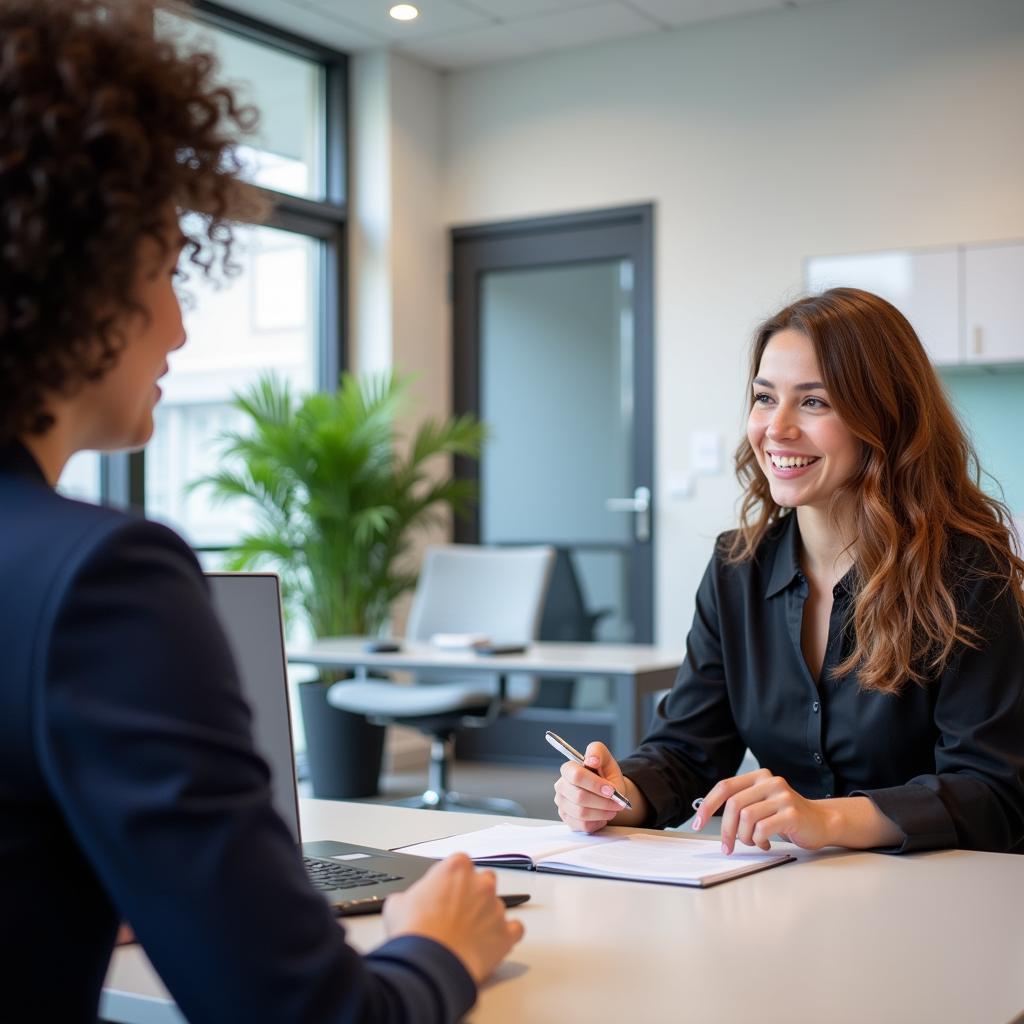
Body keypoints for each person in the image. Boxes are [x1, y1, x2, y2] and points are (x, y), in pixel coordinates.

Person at [0, 2, 521, 1021]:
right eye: (163, 267)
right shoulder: (97, 582)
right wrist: (437, 948)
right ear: (79, 277)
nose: (182, 325)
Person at [555, 288, 1024, 856]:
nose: (776, 428)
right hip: (792, 889)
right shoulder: (737, 570)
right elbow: (687, 750)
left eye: (814, 402)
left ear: (885, 418)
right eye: (763, 397)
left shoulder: (967, 573)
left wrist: (826, 819)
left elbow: (991, 792)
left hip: (940, 895)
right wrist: (618, 791)